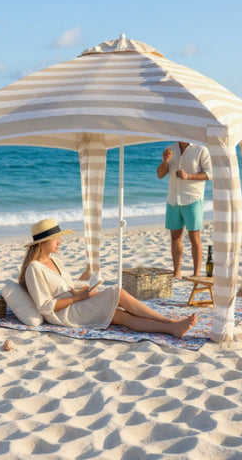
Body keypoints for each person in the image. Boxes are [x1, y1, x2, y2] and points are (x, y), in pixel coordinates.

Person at [18, 219, 198, 339]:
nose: (60, 242)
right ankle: (169, 322)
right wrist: (79, 298)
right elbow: (44, 307)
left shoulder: (54, 260)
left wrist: (84, 291)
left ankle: (172, 328)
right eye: (55, 239)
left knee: (120, 316)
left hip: (74, 302)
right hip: (63, 314)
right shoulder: (34, 269)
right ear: (42, 242)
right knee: (117, 292)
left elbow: (68, 287)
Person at [157, 141, 212, 279]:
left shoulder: (201, 149)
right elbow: (160, 174)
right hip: (173, 199)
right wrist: (165, 161)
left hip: (192, 199)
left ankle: (196, 274)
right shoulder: (170, 149)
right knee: (175, 237)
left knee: (195, 237)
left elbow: (209, 174)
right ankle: (177, 273)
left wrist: (188, 176)